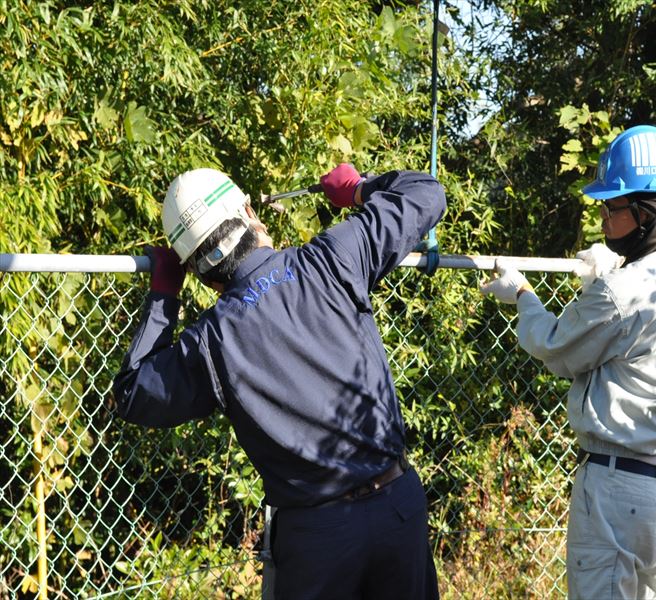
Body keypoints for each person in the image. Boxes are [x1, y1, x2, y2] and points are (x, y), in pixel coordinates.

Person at [112, 163, 445, 600]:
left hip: (316, 538)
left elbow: (133, 394)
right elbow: (426, 194)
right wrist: (358, 189)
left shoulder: (211, 342)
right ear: (250, 212)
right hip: (396, 507)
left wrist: (162, 296)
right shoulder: (332, 259)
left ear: (198, 273)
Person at [479, 125, 656, 599]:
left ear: (648, 208)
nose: (604, 219)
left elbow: (555, 347)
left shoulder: (621, 293)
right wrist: (612, 269)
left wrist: (522, 294)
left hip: (613, 486)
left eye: (612, 207)